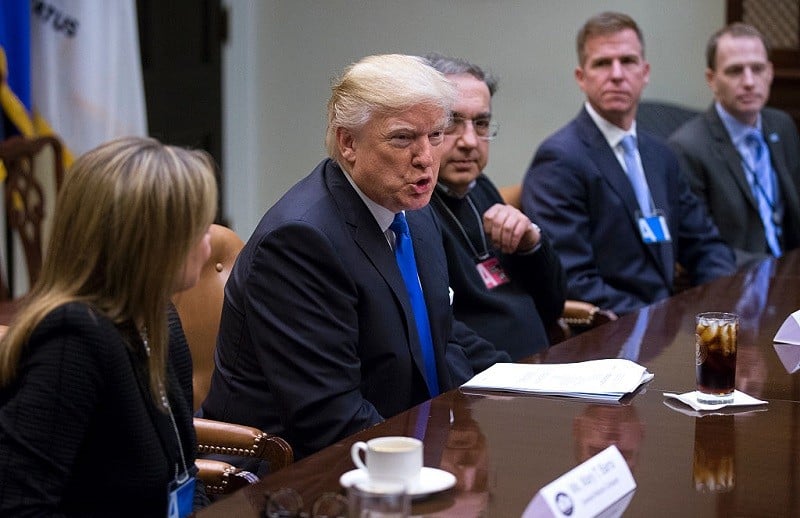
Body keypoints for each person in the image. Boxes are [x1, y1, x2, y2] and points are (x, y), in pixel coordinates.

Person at [201, 54, 509, 461]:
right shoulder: (300, 241)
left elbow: (441, 342)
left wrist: (501, 401)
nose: (426, 158)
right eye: (402, 138)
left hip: (405, 443)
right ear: (348, 142)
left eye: (435, 135)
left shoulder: (413, 212)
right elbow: (330, 418)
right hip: (293, 478)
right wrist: (433, 466)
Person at [0, 137, 217, 516]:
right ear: (149, 245)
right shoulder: (73, 342)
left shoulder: (160, 318)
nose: (211, 240)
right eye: (198, 228)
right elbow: (21, 507)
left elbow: (185, 470)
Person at [522, 11, 736, 316]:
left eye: (628, 61)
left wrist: (718, 306)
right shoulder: (559, 160)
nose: (617, 74)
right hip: (616, 332)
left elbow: (706, 245)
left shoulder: (660, 154)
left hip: (671, 322)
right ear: (581, 78)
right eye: (602, 63)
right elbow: (574, 281)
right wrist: (663, 319)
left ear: (645, 72)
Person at [423, 53, 566, 359]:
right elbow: (442, 337)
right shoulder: (414, 209)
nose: (470, 141)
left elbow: (553, 304)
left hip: (540, 368)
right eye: (452, 123)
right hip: (490, 387)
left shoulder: (481, 186)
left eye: (482, 123)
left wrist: (531, 243)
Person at [669, 23, 800, 269]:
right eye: (735, 71)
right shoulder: (687, 147)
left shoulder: (782, 126)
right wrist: (780, 270)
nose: (749, 82)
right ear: (712, 79)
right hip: (737, 282)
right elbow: (701, 249)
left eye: (758, 69)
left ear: (770, 72)